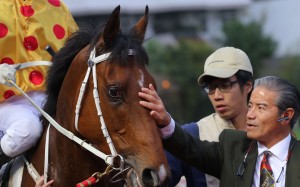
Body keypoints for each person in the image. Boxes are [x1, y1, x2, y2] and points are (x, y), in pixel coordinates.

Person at [139, 75, 300, 187]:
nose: (250, 115)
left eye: (261, 108)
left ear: (286, 115)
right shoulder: (233, 146)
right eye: (250, 106)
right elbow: (190, 147)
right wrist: (165, 120)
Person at [0, 0, 77, 182]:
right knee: (27, 129)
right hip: (7, 102)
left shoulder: (57, 6)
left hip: (51, 97)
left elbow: (77, 52)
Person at [160, 46, 254, 186]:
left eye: (225, 85)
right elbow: (159, 180)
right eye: (210, 88)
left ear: (247, 86)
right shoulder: (191, 134)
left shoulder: (268, 133)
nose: (216, 96)